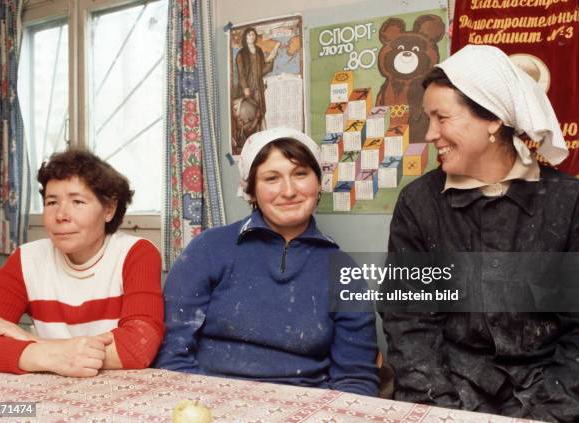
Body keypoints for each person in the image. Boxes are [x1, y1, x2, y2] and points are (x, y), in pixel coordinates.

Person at [382, 45, 579, 422]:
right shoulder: (419, 204)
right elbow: (409, 322)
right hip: (448, 389)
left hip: (552, 393)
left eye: (442, 117)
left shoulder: (568, 203)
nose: (430, 134)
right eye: (429, 118)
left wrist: (550, 413)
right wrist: (445, 411)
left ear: (492, 121)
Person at [155, 127, 379, 396]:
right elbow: (172, 355)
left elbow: (355, 378)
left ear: (319, 183)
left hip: (304, 405)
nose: (288, 191)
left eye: (300, 174)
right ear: (251, 190)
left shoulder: (344, 271)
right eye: (271, 178)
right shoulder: (208, 249)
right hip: (209, 401)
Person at [0, 149, 164, 377]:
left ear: (109, 209)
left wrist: (35, 343)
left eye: (77, 202)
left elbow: (138, 346)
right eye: (51, 202)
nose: (61, 215)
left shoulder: (136, 253)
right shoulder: (26, 259)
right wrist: (50, 355)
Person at [233, 27, 279, 150]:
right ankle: (247, 143)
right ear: (245, 37)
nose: (251, 37)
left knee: (259, 112)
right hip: (247, 87)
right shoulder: (241, 54)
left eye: (253, 35)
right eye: (249, 35)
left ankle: (260, 141)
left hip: (258, 86)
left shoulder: (258, 51)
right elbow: (241, 73)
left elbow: (263, 70)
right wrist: (245, 88)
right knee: (248, 113)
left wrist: (272, 58)